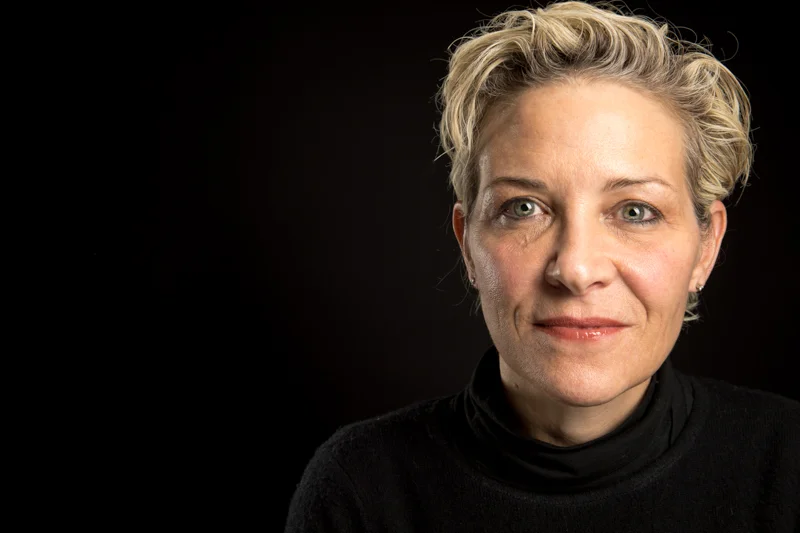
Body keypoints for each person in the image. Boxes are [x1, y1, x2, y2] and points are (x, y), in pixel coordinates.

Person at [285, 2, 800, 531]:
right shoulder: (360, 489)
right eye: (523, 208)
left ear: (706, 246)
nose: (575, 269)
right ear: (468, 245)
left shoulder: (787, 465)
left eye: (635, 211)